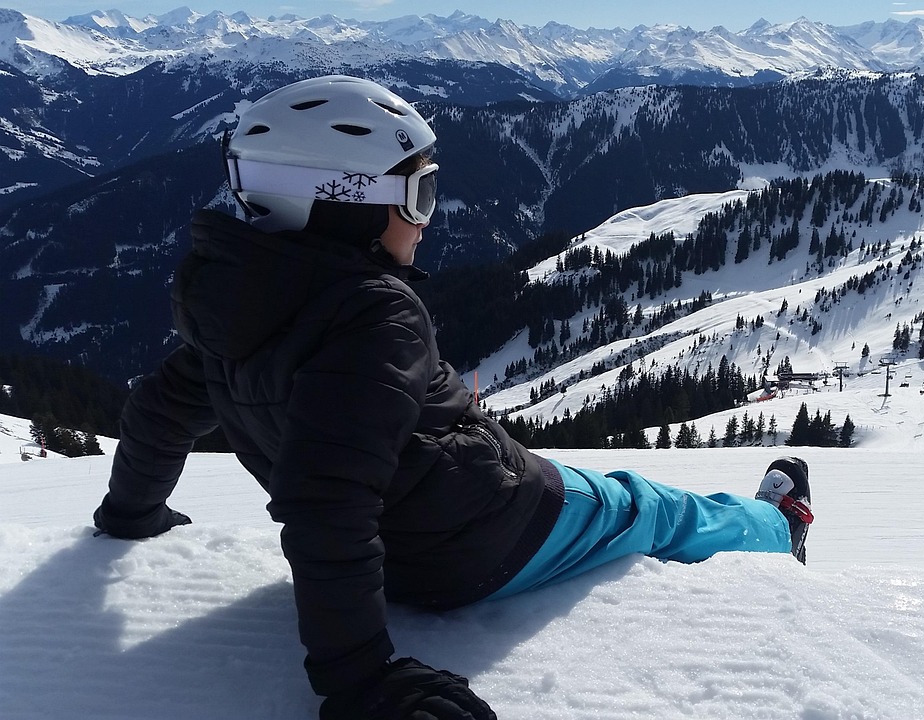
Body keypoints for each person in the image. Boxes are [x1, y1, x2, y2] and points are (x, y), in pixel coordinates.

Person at [91, 75, 813, 720]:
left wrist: (131, 513)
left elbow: (160, 411)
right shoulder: (375, 312)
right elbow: (326, 499)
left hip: (415, 544)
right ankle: (780, 526)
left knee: (629, 498)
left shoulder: (237, 310)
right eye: (419, 194)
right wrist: (360, 680)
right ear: (345, 204)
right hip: (497, 532)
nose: (429, 217)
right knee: (653, 507)